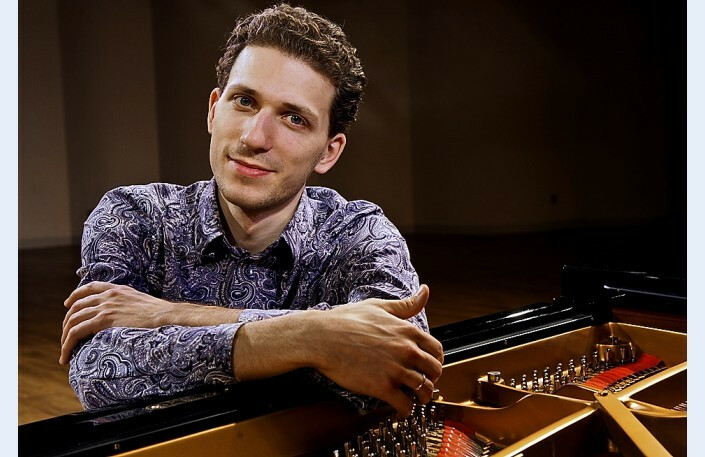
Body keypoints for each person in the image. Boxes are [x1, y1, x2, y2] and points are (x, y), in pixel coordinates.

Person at [59, 3, 443, 418]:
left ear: (329, 152)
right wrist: (313, 336)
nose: (255, 137)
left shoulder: (359, 233)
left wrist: (169, 315)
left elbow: (400, 366)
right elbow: (98, 373)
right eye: (244, 101)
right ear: (213, 109)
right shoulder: (133, 215)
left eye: (294, 118)